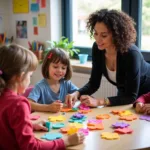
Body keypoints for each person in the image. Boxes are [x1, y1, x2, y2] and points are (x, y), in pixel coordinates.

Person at [0, 44, 85, 150]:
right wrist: (66, 141)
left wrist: (31, 124)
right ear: (20, 77)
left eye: (63, 67)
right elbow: (31, 147)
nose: (30, 79)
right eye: (30, 76)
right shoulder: (19, 104)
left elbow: (6, 126)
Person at [65, 8, 150, 108]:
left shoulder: (131, 53)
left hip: (147, 94)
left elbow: (131, 97)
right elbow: (94, 83)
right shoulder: (97, 49)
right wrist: (77, 94)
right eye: (96, 33)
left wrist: (99, 102)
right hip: (126, 95)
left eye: (104, 35)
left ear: (116, 35)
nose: (98, 39)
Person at [28, 48, 78, 112]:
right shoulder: (40, 86)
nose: (59, 70)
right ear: (47, 66)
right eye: (55, 67)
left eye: (63, 68)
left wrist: (74, 95)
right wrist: (48, 108)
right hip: (44, 120)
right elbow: (29, 103)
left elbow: (79, 92)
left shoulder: (66, 83)